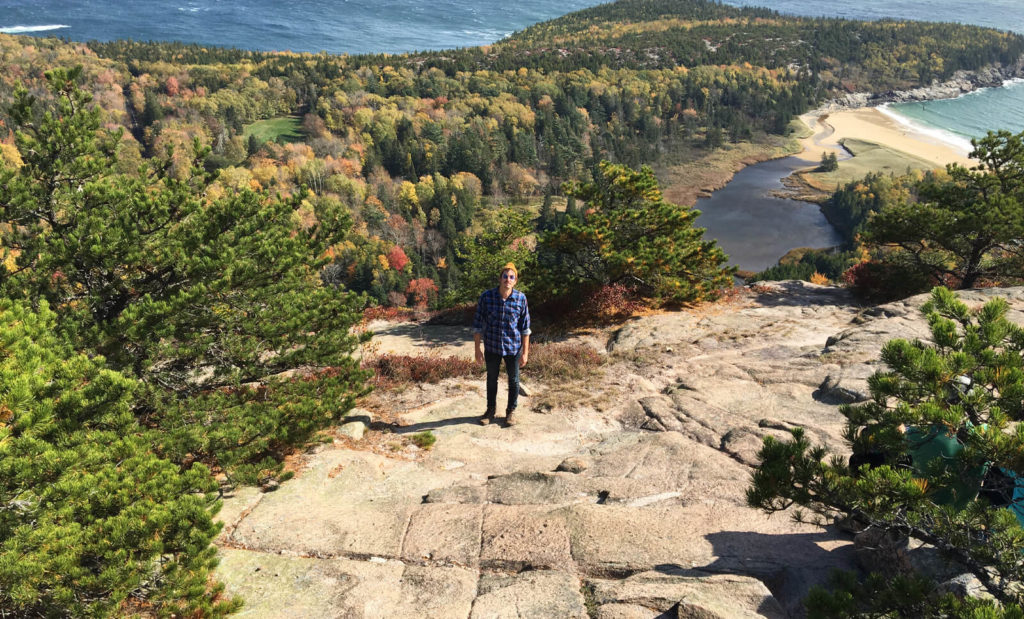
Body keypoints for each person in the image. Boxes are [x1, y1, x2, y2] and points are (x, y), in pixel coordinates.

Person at [473, 262, 531, 426]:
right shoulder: (487, 297)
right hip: (492, 346)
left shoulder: (521, 298)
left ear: (515, 280)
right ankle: (490, 411)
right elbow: (477, 325)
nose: (508, 279)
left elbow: (525, 329)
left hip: (513, 348)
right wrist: (477, 350)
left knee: (514, 380)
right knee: (492, 379)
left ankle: (510, 412)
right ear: (500, 278)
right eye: (505, 276)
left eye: (511, 277)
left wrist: (525, 353)